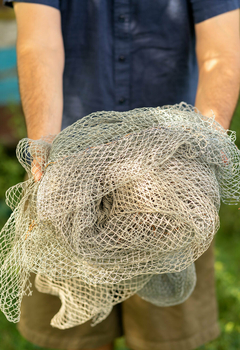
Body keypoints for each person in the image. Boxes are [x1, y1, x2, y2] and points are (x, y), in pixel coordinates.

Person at [4, 1, 240, 349]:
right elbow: (38, 44)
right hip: (69, 176)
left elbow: (221, 51)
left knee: (164, 338)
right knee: (78, 340)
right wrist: (44, 144)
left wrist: (207, 136)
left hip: (170, 181)